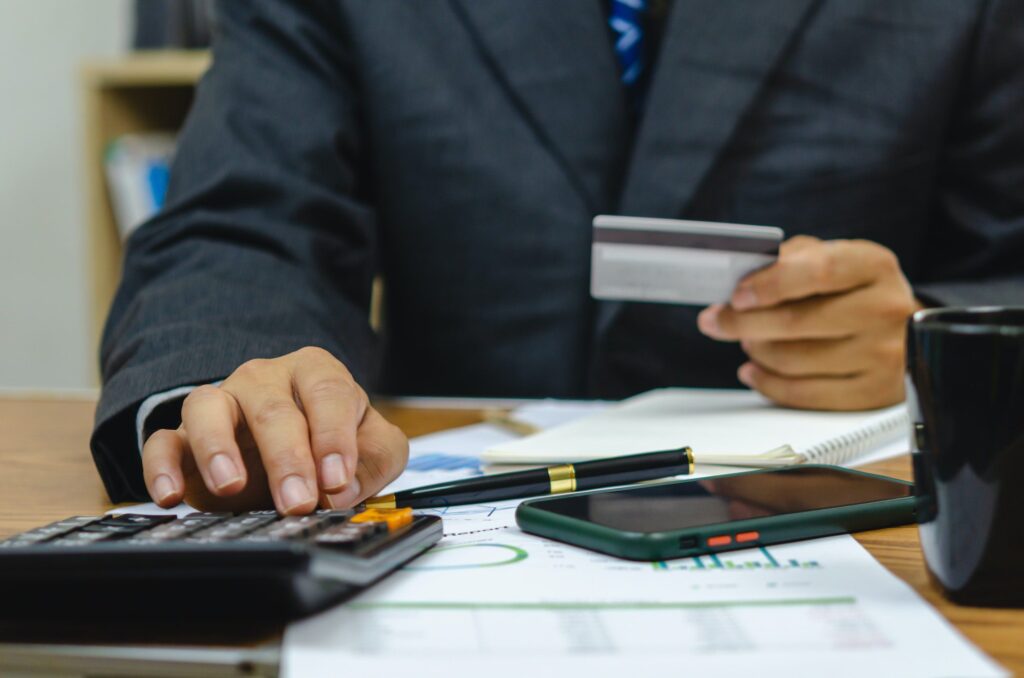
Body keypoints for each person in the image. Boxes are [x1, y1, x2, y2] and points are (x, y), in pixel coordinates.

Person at [91, 1, 1024, 516]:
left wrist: (932, 337)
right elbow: (243, 220)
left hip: (846, 529)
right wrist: (233, 396)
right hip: (419, 520)